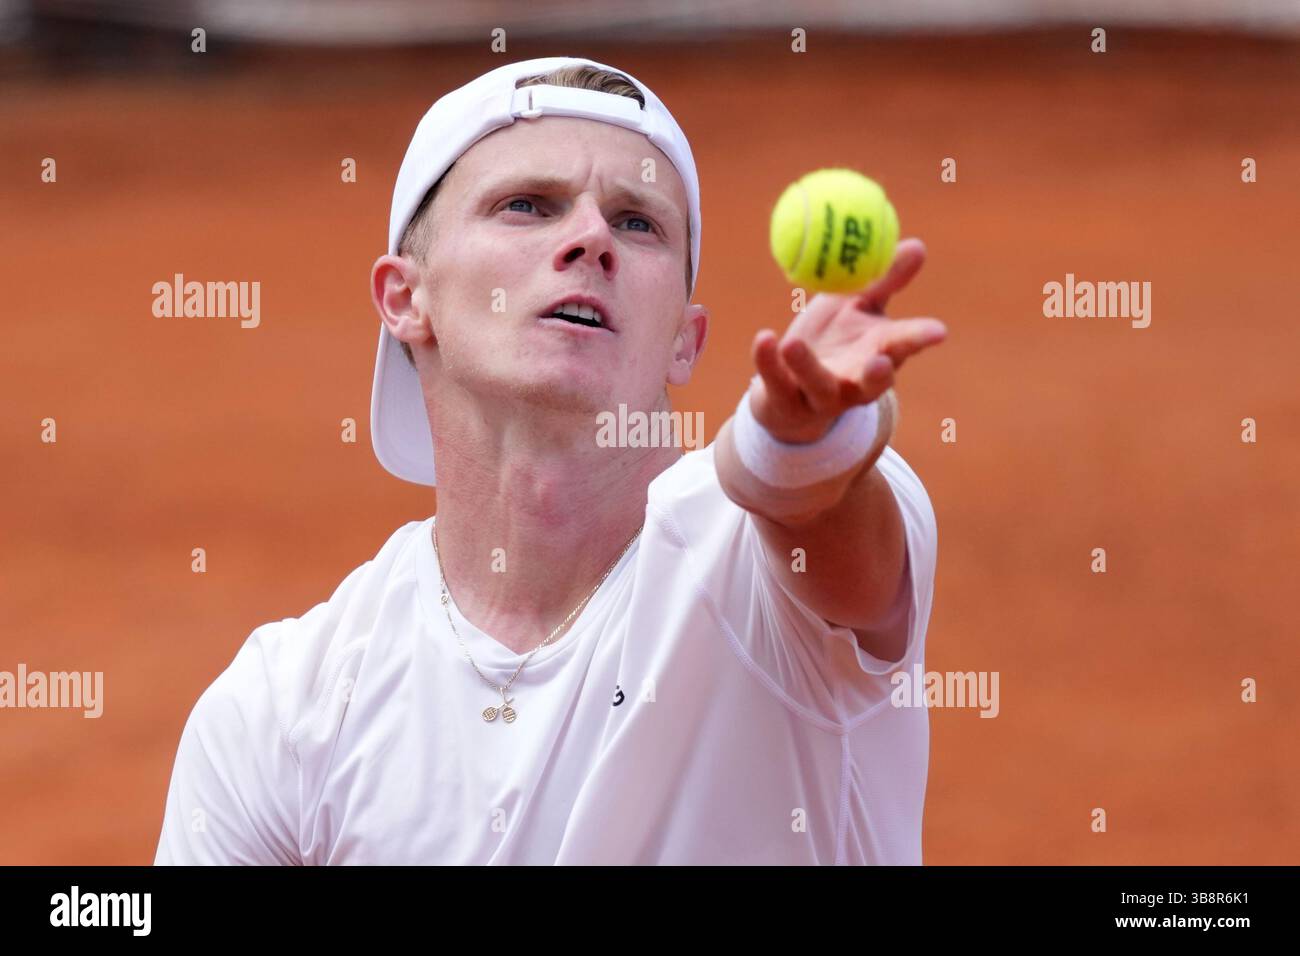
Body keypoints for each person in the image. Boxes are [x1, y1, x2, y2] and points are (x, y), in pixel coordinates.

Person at [154, 55, 947, 865]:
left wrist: (802, 444)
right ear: (405, 297)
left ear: (685, 340)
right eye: (527, 205)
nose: (592, 238)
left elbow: (835, 540)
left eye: (637, 222)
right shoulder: (282, 713)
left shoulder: (764, 575)